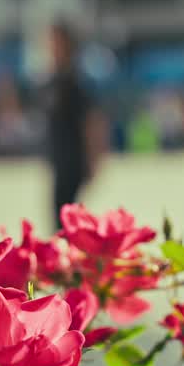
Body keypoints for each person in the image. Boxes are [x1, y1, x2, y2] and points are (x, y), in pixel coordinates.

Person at [45, 20, 107, 230]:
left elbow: (93, 121)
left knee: (67, 221)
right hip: (59, 161)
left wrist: (94, 159)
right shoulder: (54, 79)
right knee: (58, 219)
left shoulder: (78, 78)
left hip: (74, 161)